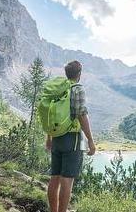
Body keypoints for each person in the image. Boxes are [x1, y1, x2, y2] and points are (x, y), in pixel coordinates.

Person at [46, 60, 96, 212]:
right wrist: (91, 141)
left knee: (54, 177)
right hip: (72, 139)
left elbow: (50, 115)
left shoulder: (59, 90)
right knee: (67, 180)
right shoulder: (77, 88)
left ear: (66, 73)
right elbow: (82, 115)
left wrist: (49, 138)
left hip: (56, 138)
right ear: (79, 75)